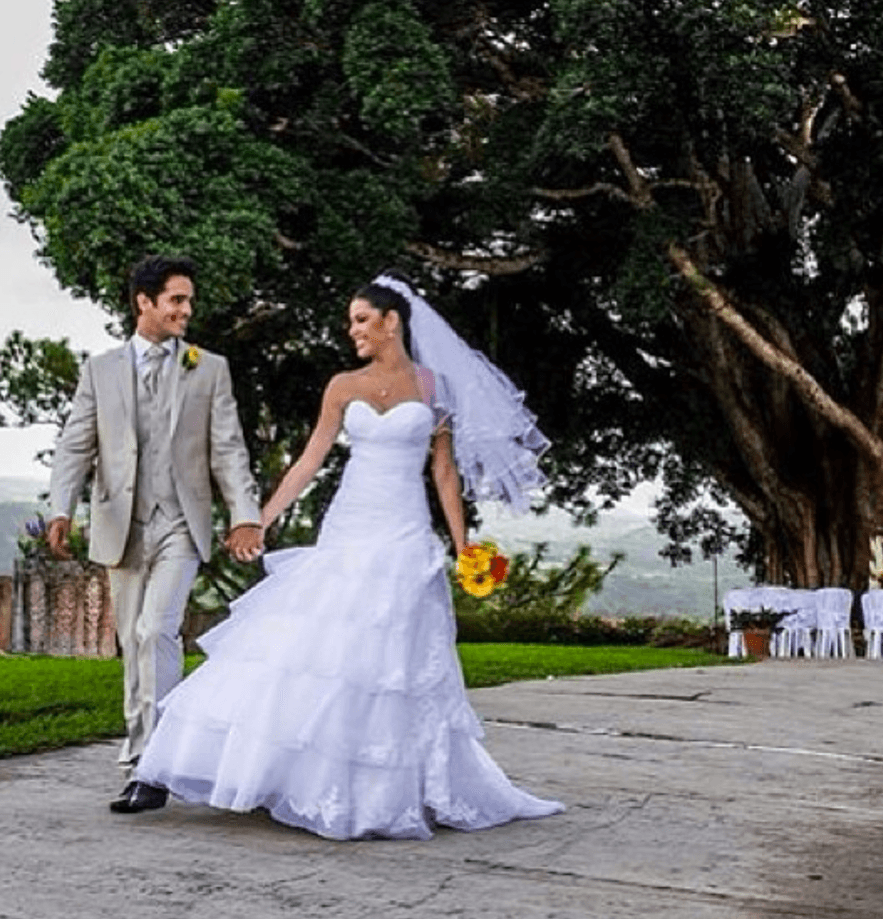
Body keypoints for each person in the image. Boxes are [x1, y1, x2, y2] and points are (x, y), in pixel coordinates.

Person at [126, 271, 565, 838]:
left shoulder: (435, 388)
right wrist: (260, 517)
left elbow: (445, 473)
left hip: (405, 529)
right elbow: (310, 460)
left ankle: (388, 787)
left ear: (391, 321)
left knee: (393, 661)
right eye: (351, 321)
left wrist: (463, 548)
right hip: (350, 523)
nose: (352, 330)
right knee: (324, 646)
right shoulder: (342, 385)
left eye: (361, 319)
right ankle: (303, 776)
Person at [47, 254, 262, 813]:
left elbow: (229, 447)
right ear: (144, 302)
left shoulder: (208, 368)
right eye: (177, 300)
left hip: (181, 524)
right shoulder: (101, 370)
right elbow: (75, 444)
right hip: (122, 524)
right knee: (131, 641)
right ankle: (141, 754)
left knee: (156, 630)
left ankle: (156, 766)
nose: (187, 310)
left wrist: (244, 513)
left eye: (189, 300)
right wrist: (60, 509)